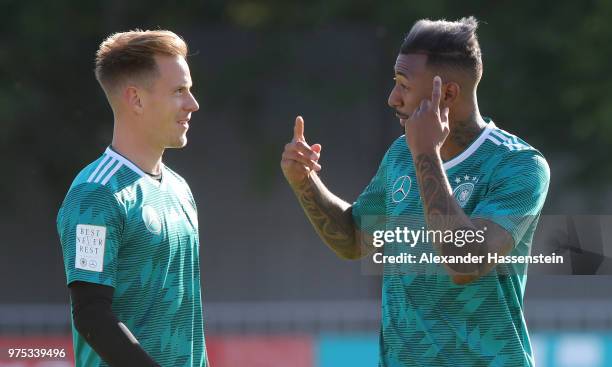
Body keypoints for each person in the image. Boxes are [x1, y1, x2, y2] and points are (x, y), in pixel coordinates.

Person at [281, 17, 549, 366]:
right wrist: (305, 184)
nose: (393, 98)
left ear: (447, 94)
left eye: (404, 85)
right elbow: (356, 239)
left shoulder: (518, 165)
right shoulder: (400, 155)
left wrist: (426, 153)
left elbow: (464, 263)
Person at [56, 29, 207, 366]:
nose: (192, 104)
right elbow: (91, 314)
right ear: (136, 99)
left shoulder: (179, 188)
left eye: (190, 91)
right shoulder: (96, 194)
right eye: (179, 91)